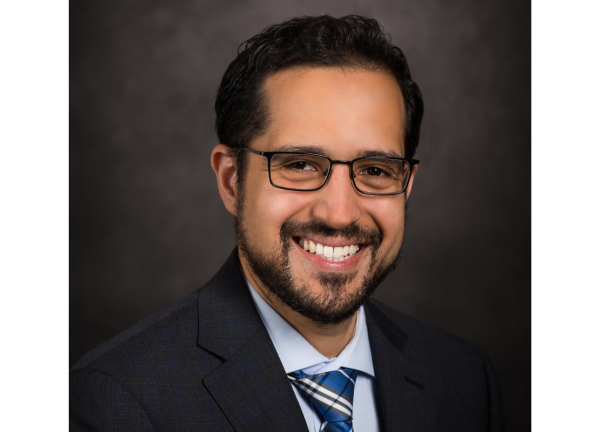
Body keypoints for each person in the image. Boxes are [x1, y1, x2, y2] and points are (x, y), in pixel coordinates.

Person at [70, 15, 504, 432]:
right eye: (300, 164)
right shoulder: (115, 401)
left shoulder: (465, 381)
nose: (339, 213)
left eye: (375, 169)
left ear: (405, 186)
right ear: (231, 180)